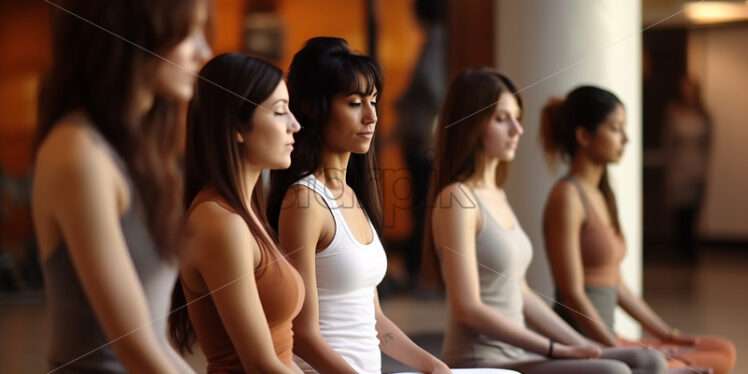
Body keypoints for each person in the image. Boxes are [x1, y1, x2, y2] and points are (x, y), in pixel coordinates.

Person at [422, 68, 668, 374]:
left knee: (648, 361)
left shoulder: (496, 193)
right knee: (612, 371)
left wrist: (587, 347)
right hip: (479, 362)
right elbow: (467, 308)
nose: (517, 129)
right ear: (471, 124)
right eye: (502, 119)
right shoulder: (456, 198)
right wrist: (555, 349)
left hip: (518, 357)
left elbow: (522, 294)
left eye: (517, 117)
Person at [32, 0, 211, 372]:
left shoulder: (148, 153)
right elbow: (134, 348)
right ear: (135, 38)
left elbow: (156, 340)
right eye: (188, 33)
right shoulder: (78, 152)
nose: (204, 51)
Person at [268, 37, 451, 374]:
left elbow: (375, 321)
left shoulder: (353, 195)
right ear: (310, 107)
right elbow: (303, 334)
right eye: (354, 103)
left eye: (374, 101)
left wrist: (434, 366)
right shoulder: (304, 201)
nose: (371, 116)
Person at [541, 85, 736, 374]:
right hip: (585, 342)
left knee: (722, 349)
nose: (626, 139)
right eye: (616, 129)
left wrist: (667, 334)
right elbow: (572, 294)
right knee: (713, 361)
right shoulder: (567, 196)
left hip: (610, 339)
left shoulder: (601, 192)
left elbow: (619, 287)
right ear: (583, 136)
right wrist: (621, 351)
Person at [168, 53, 304, 373]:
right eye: (280, 112)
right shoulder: (218, 221)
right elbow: (261, 364)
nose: (295, 125)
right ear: (237, 127)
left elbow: (280, 354)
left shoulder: (246, 214)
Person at [663, 76, 712, 264]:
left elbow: (708, 145)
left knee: (693, 211)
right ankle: (679, 251)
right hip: (678, 167)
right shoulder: (674, 111)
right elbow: (668, 141)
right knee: (679, 212)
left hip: (696, 167)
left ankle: (691, 252)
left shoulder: (704, 114)